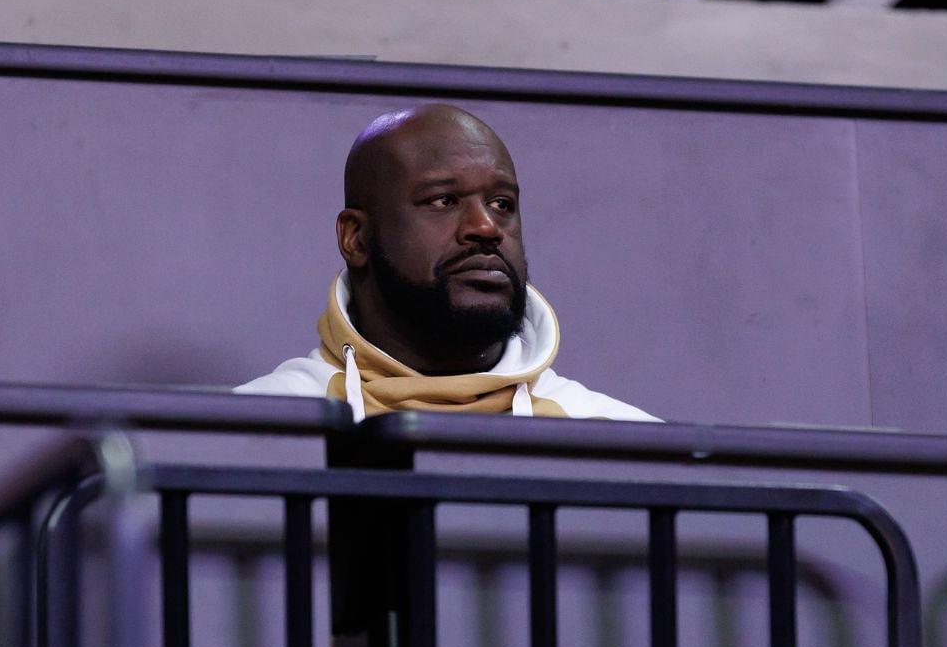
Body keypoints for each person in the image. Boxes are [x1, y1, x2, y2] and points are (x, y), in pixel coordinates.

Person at [237, 103, 660, 423]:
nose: (486, 226)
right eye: (444, 200)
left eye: (501, 203)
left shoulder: (619, 440)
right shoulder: (257, 429)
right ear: (357, 238)